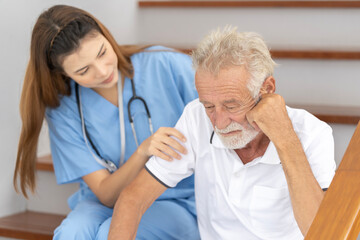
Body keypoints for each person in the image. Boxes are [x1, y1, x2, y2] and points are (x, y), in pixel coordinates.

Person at [108, 27, 337, 240]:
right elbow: (132, 199)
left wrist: (285, 139)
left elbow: (322, 233)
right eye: (209, 106)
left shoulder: (313, 133)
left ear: (267, 90)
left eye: (231, 106)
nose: (218, 122)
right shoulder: (196, 117)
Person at [13, 4, 201, 240]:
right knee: (73, 234)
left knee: (108, 235)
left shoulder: (165, 64)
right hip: (106, 201)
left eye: (102, 52)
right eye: (83, 70)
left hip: (176, 198)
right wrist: (143, 151)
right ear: (64, 74)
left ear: (106, 35)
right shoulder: (64, 106)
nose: (102, 72)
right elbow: (107, 194)